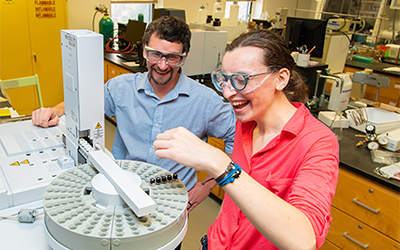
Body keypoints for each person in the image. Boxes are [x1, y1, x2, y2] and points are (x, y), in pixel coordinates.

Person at [153, 29, 339, 249]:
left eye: (241, 79)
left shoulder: (318, 143)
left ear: (280, 78)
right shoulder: (246, 122)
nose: (228, 93)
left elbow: (303, 240)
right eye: (224, 79)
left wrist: (220, 163)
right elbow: (234, 200)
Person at [31, 16, 236, 213]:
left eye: (172, 57)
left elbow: (239, 137)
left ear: (184, 58)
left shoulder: (206, 101)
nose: (162, 65)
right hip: (120, 193)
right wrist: (55, 111)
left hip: (173, 202)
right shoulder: (121, 88)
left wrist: (208, 184)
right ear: (144, 50)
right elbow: (85, 103)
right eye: (155, 54)